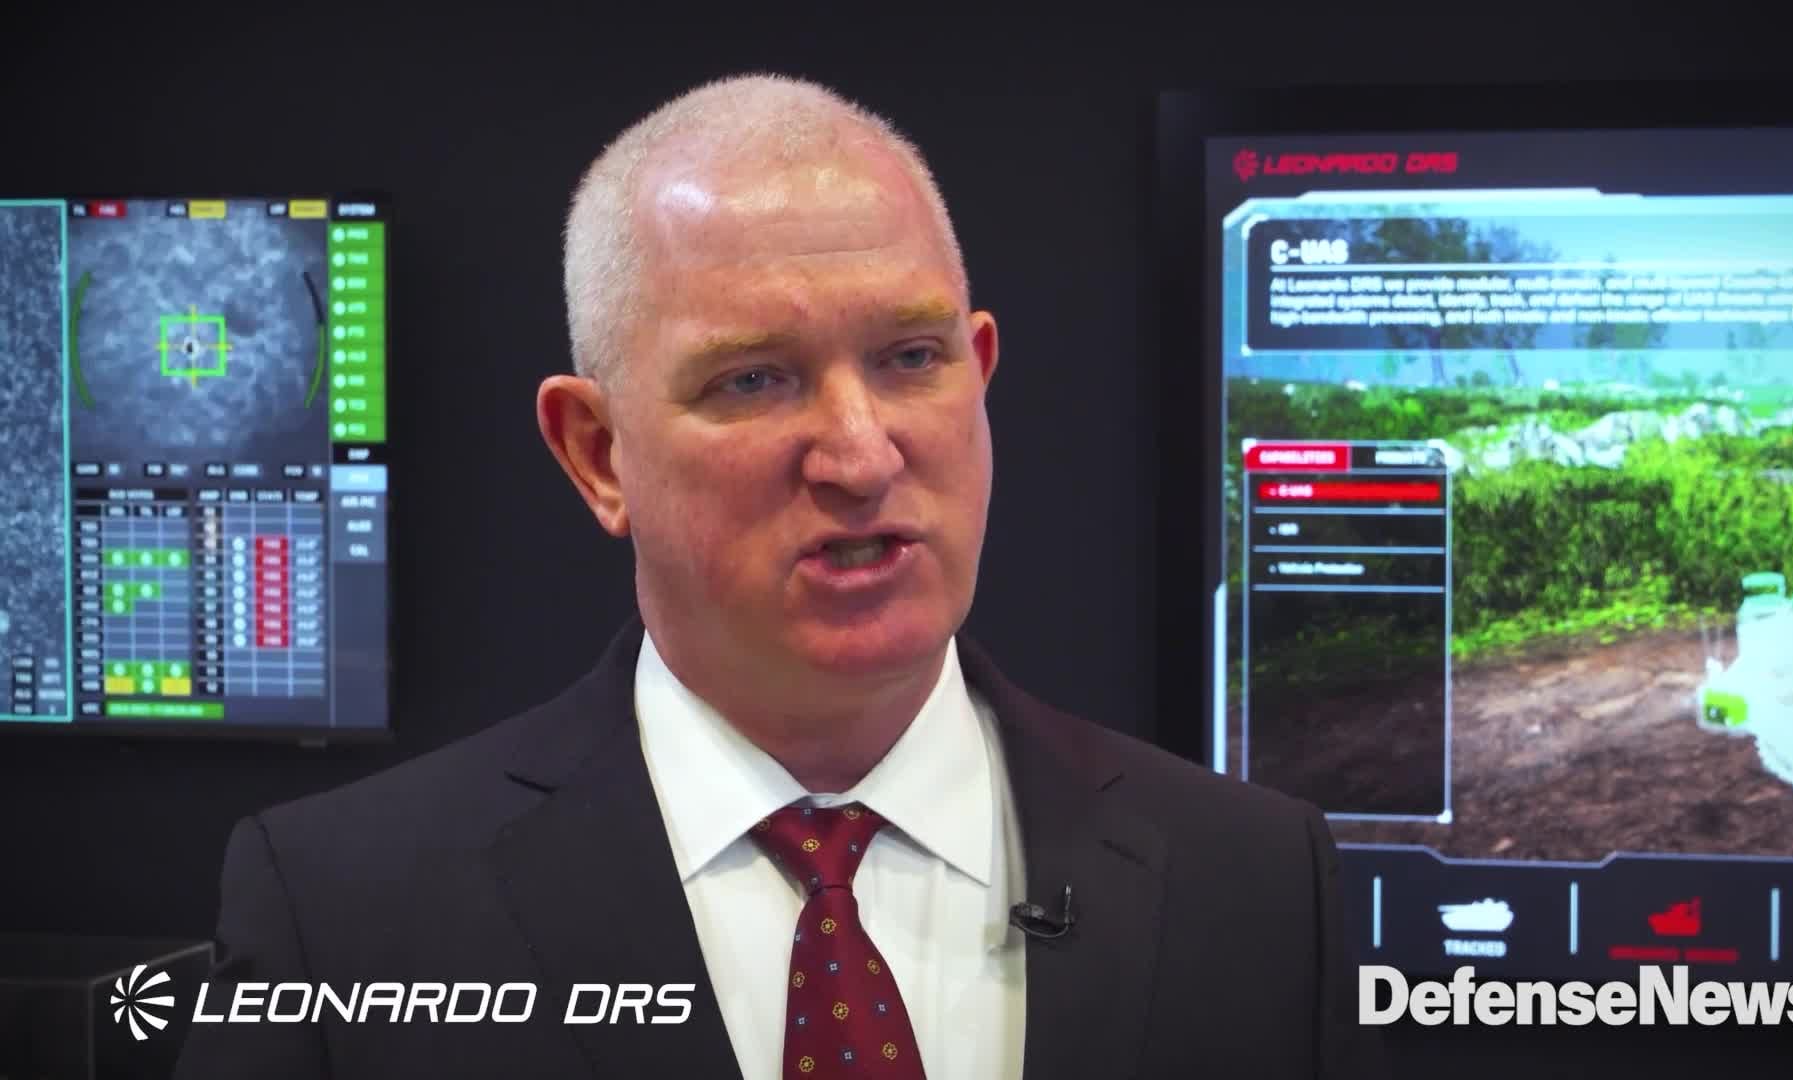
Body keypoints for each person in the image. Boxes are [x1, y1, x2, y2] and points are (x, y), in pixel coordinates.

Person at [173, 74, 1384, 1079]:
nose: (861, 456)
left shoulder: (1257, 887)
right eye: (754, 379)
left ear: (980, 373)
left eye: (910, 358)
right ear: (596, 453)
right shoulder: (342, 913)